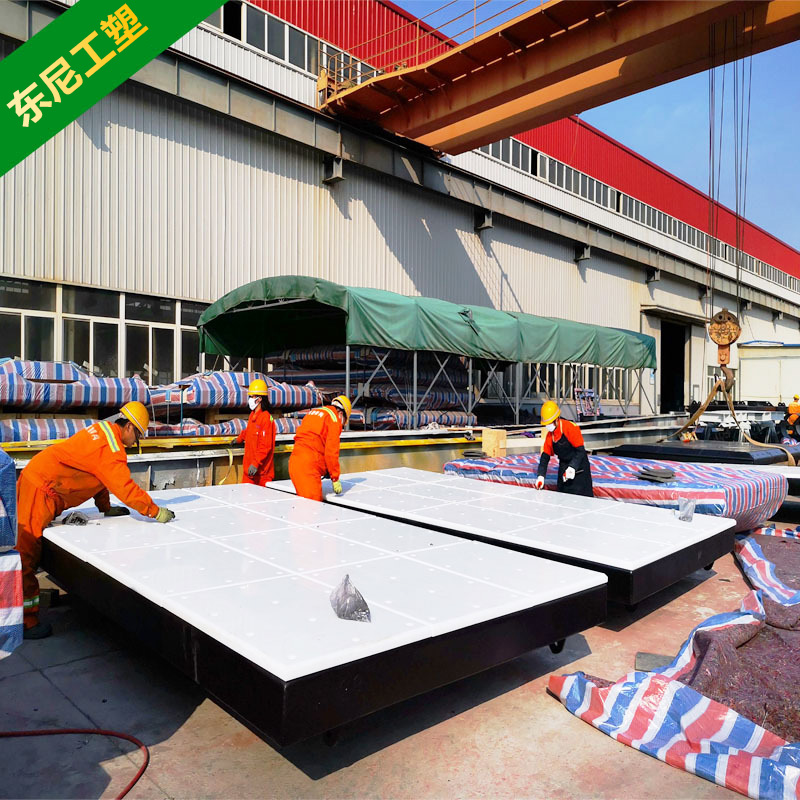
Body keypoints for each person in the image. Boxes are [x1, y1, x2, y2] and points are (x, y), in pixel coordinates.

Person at [16, 402, 176, 639]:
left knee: (26, 548)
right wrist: (154, 511)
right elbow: (124, 488)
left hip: (40, 481)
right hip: (41, 491)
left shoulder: (102, 432)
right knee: (26, 553)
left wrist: (105, 507)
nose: (135, 443)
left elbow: (96, 476)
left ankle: (23, 613)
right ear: (129, 427)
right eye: (138, 437)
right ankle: (26, 622)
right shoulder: (110, 449)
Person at [288, 395, 352, 501]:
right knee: (312, 507)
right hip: (309, 468)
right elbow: (331, 453)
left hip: (295, 462)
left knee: (303, 506)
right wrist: (335, 478)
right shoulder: (333, 419)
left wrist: (325, 468)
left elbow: (314, 442)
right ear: (341, 414)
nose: (341, 426)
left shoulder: (314, 412)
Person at [534, 401, 593, 497]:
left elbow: (580, 451)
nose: (548, 426)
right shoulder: (550, 435)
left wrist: (572, 467)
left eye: (550, 423)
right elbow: (545, 457)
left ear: (557, 419)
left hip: (580, 468)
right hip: (564, 466)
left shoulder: (570, 428)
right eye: (546, 424)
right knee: (562, 497)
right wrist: (541, 476)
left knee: (581, 499)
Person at [235, 379, 276, 486]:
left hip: (262, 473)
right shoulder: (253, 415)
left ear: (259, 399)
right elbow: (249, 431)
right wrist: (239, 439)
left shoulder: (266, 418)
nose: (250, 399)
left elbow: (266, 446)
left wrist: (256, 463)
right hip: (249, 470)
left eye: (252, 397)